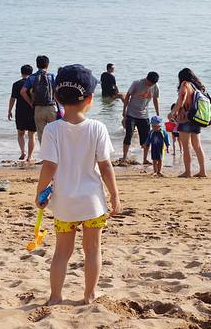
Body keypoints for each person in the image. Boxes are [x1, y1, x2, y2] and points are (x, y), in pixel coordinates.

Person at [36, 64, 120, 305]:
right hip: (92, 202)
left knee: (62, 252)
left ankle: (55, 296)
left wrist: (40, 193)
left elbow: (49, 167)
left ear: (57, 97)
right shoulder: (97, 128)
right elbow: (105, 166)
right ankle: (89, 295)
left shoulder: (52, 129)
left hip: (64, 203)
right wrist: (115, 195)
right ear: (90, 99)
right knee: (92, 250)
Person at [169, 68, 211, 178]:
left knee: (186, 147)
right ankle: (202, 171)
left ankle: (188, 172)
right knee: (197, 146)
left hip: (186, 119)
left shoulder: (185, 84)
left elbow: (181, 99)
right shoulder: (196, 87)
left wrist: (173, 112)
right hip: (196, 119)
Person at [122, 72, 160, 164]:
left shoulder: (155, 86)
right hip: (131, 114)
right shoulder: (137, 83)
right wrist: (124, 110)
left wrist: (158, 114)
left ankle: (145, 159)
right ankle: (124, 158)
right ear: (146, 78)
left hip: (144, 115)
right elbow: (127, 96)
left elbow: (155, 99)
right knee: (128, 135)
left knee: (146, 139)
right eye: (149, 84)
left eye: (152, 84)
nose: (150, 86)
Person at [21, 55, 57, 144]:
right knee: (55, 133)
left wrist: (31, 103)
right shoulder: (52, 76)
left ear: (37, 65)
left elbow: (23, 92)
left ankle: (45, 151)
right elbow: (58, 91)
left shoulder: (32, 77)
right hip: (51, 107)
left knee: (41, 134)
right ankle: (55, 151)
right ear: (47, 65)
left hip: (38, 108)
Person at [8, 64, 36, 161]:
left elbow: (12, 98)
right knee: (32, 135)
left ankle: (23, 152)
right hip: (32, 111)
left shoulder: (16, 84)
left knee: (20, 133)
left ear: (21, 73)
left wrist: (9, 110)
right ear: (31, 73)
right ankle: (30, 156)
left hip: (20, 111)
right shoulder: (34, 83)